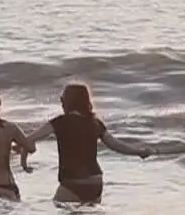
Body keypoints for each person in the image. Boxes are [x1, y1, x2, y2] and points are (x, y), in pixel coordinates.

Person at [21, 82, 151, 205]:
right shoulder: (95, 123)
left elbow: (28, 140)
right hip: (95, 183)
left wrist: (24, 163)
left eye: (62, 99)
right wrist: (138, 152)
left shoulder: (60, 122)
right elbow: (116, 145)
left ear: (68, 101)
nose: (61, 102)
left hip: (73, 183)